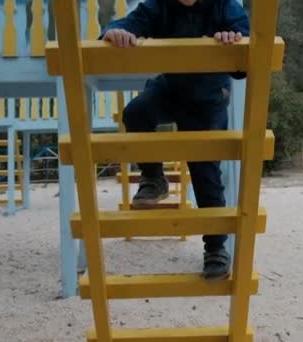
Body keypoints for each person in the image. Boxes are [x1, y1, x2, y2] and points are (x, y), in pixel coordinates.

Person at [100, 0, 250, 280]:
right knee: (136, 112)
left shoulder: (225, 6)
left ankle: (216, 248)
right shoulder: (159, 6)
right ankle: (154, 177)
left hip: (208, 97)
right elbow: (128, 24)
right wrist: (115, 32)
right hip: (171, 87)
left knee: (206, 170)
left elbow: (243, 62)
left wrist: (233, 38)